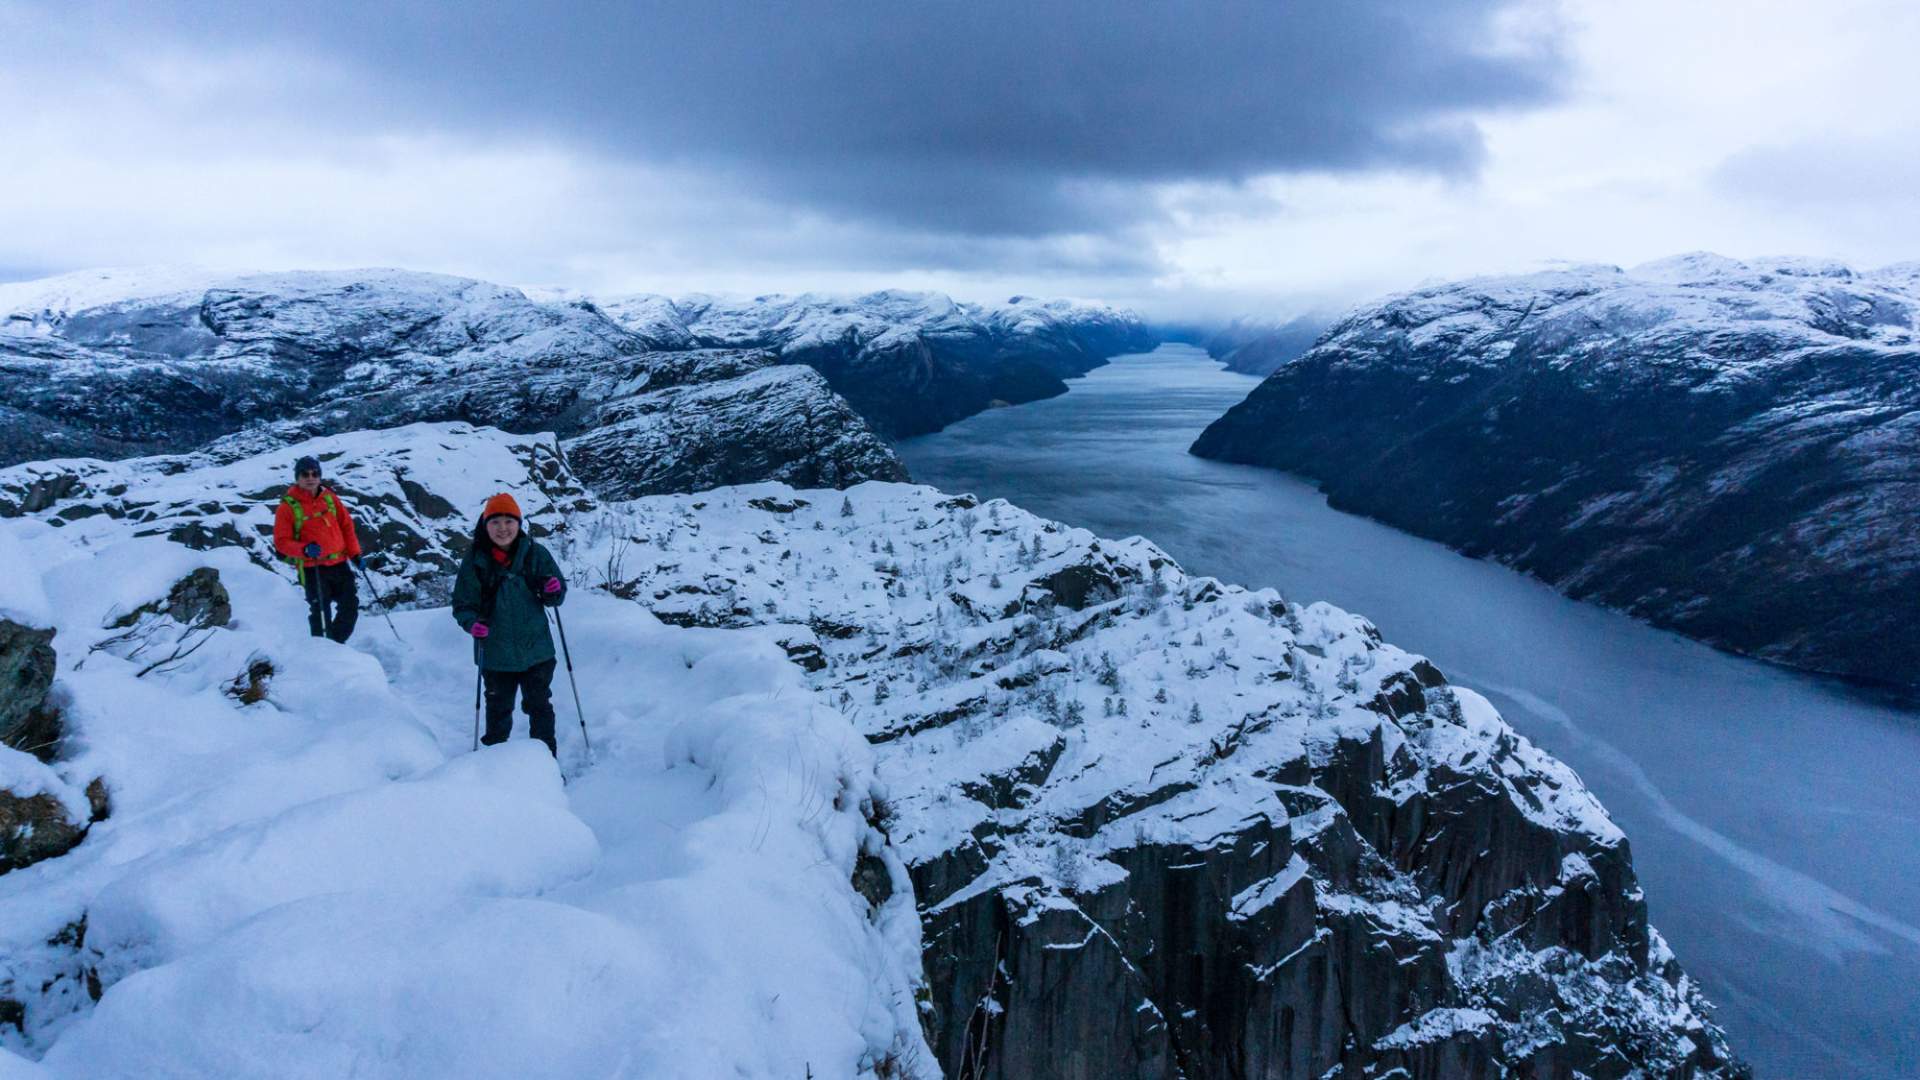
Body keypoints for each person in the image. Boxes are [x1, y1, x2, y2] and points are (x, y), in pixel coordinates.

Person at [451, 492, 568, 756]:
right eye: (495, 522)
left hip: (536, 652)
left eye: (509, 521)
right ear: (485, 525)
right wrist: (472, 623)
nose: (502, 528)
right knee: (498, 711)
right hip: (495, 654)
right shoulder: (475, 561)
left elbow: (556, 596)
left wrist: (554, 590)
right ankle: (494, 764)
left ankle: (547, 762)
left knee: (540, 708)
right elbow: (462, 604)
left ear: (519, 523)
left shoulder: (536, 554)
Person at [272, 454, 364, 643]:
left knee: (350, 607)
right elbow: (281, 542)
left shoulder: (329, 498)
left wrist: (355, 554)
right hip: (312, 568)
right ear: (297, 477)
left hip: (339, 563)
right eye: (305, 474)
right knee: (321, 613)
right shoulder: (287, 507)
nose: (310, 478)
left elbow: (346, 526)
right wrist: (304, 549)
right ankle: (322, 652)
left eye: (315, 473)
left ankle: (335, 645)